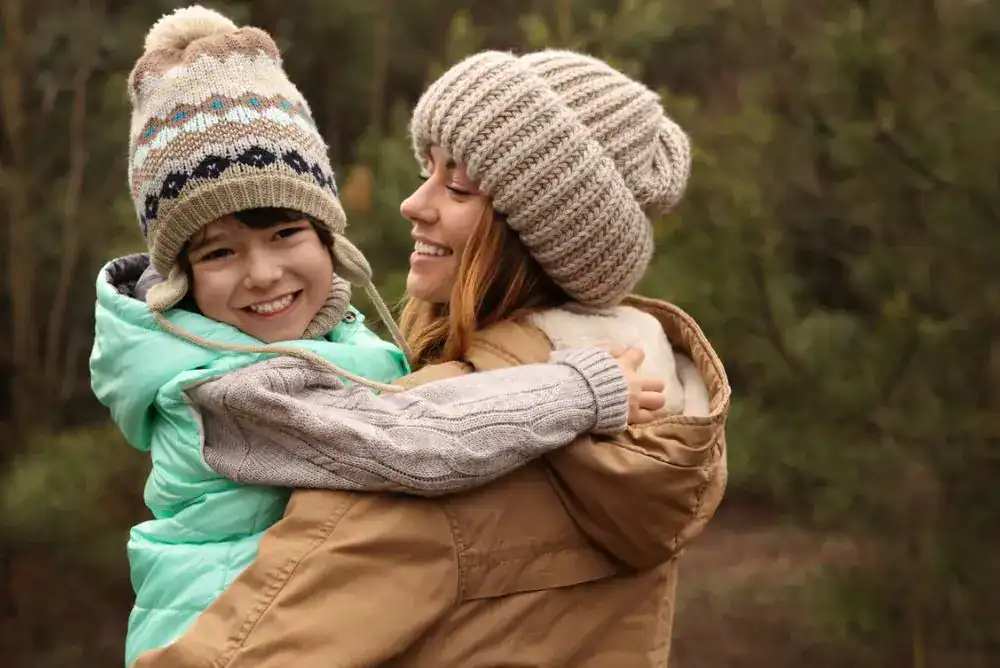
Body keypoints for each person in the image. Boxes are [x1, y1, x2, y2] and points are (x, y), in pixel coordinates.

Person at [91, 7, 667, 667]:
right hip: (220, 634)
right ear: (179, 280)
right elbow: (408, 440)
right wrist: (579, 390)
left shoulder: (331, 333)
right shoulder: (231, 387)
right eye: (219, 254)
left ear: (329, 240)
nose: (261, 273)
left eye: (285, 234)